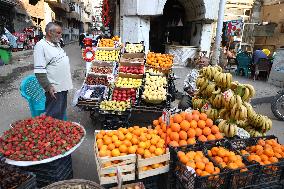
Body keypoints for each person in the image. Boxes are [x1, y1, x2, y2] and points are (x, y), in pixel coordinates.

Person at [34, 22, 73, 120]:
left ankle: (59, 132)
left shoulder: (56, 44)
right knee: (53, 115)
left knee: (60, 112)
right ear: (50, 33)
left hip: (63, 86)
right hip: (54, 88)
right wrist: (48, 87)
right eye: (58, 33)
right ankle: (49, 134)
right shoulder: (41, 46)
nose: (61, 35)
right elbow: (39, 70)